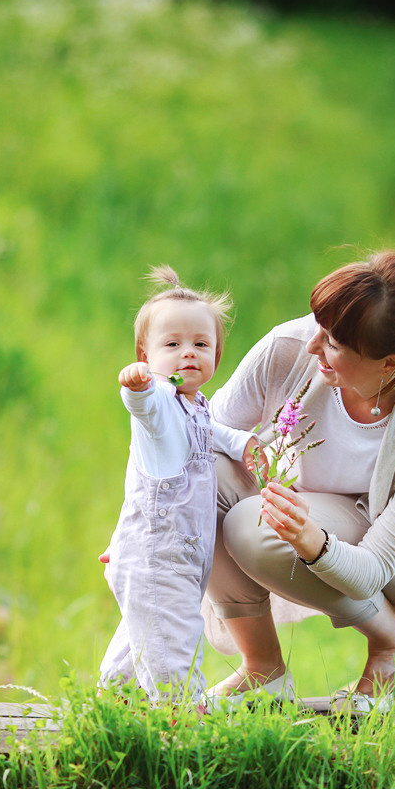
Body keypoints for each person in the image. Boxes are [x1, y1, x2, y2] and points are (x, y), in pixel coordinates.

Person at [203, 250, 395, 712]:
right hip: (312, 504)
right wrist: (138, 527)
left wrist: (313, 542)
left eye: (331, 343)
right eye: (318, 327)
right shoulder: (289, 346)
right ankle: (262, 671)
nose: (312, 346)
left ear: (389, 364)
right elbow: (197, 438)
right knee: (204, 484)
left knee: (253, 528)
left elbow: (373, 567)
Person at [98, 267, 254, 706]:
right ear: (145, 355)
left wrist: (246, 446)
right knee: (175, 654)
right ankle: (187, 731)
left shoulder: (197, 407)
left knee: (143, 643)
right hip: (158, 560)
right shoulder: (163, 401)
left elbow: (217, 434)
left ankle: (110, 713)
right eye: (172, 344)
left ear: (217, 357)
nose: (188, 353)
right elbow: (144, 408)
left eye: (201, 344)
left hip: (178, 560)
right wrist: (138, 387)